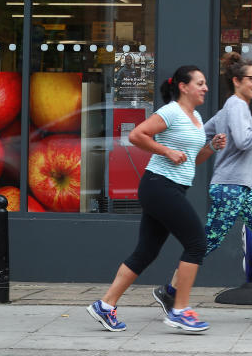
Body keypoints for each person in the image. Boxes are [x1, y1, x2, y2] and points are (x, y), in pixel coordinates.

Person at [152, 52, 252, 321]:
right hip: (229, 188)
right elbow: (246, 142)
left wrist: (208, 144)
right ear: (237, 80)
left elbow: (202, 134)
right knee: (206, 242)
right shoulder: (235, 106)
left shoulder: (228, 110)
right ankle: (170, 291)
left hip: (241, 188)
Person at [87, 65, 226, 333]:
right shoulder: (171, 111)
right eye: (200, 83)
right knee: (197, 243)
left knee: (147, 251)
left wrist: (210, 147)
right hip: (160, 186)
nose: (205, 88)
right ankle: (180, 310)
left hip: (170, 187)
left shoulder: (195, 116)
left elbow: (189, 161)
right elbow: (136, 135)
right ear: (183, 87)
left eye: (205, 83)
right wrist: (166, 151)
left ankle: (105, 305)